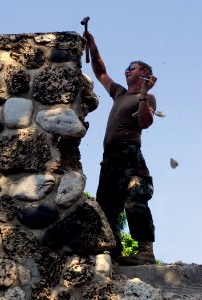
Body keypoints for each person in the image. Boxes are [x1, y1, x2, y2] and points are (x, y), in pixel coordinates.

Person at [84, 31, 157, 266]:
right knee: (106, 206)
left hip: (130, 154)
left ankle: (145, 251)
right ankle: (114, 251)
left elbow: (145, 122)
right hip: (110, 158)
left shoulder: (147, 97)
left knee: (135, 198)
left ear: (144, 73)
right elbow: (101, 72)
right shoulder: (119, 94)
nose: (126, 70)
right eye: (126, 67)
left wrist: (144, 94)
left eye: (131, 67)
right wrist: (93, 45)